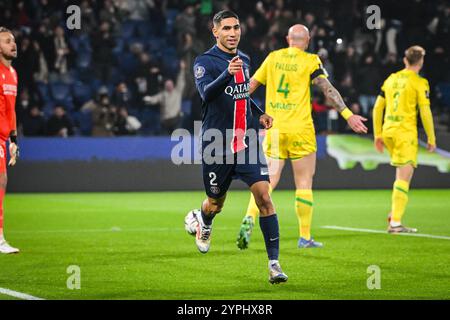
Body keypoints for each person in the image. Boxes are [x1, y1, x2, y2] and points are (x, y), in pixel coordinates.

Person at [236, 24, 368, 250]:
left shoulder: (272, 58)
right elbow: (328, 90)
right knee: (304, 182)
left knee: (268, 180)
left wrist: (229, 107)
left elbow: (249, 88)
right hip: (301, 130)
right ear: (307, 41)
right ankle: (305, 237)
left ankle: (250, 216)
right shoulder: (311, 60)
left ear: (288, 38)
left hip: (274, 129)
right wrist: (347, 114)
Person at [189, 10, 288, 284]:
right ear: (215, 31)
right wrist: (225, 73)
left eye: (236, 27)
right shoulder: (204, 61)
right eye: (227, 29)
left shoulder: (244, 59)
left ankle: (274, 264)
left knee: (264, 197)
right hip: (217, 144)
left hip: (246, 142)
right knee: (215, 204)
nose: (233, 33)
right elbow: (206, 94)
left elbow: (242, 93)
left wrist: (260, 113)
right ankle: (204, 221)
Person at [372, 45, 436, 233]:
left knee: (401, 175)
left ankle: (394, 214)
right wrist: (431, 137)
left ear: (405, 60)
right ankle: (395, 223)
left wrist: (377, 134)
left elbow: (377, 108)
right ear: (421, 61)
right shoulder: (419, 82)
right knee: (403, 178)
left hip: (388, 131)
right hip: (405, 133)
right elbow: (425, 112)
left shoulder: (391, 79)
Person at [0, 27, 20, 253]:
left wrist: (13, 140)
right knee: (1, 179)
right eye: (7, 41)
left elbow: (11, 109)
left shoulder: (13, 74)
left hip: (4, 137)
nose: (13, 44)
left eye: (13, 41)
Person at [143, 60, 186, 135]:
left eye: (170, 84)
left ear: (173, 84)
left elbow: (181, 80)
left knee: (176, 136)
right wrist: (149, 99)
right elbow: (155, 99)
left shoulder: (177, 92)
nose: (169, 86)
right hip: (165, 120)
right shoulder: (163, 94)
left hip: (175, 119)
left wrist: (182, 69)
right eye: (167, 84)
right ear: (165, 86)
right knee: (164, 137)